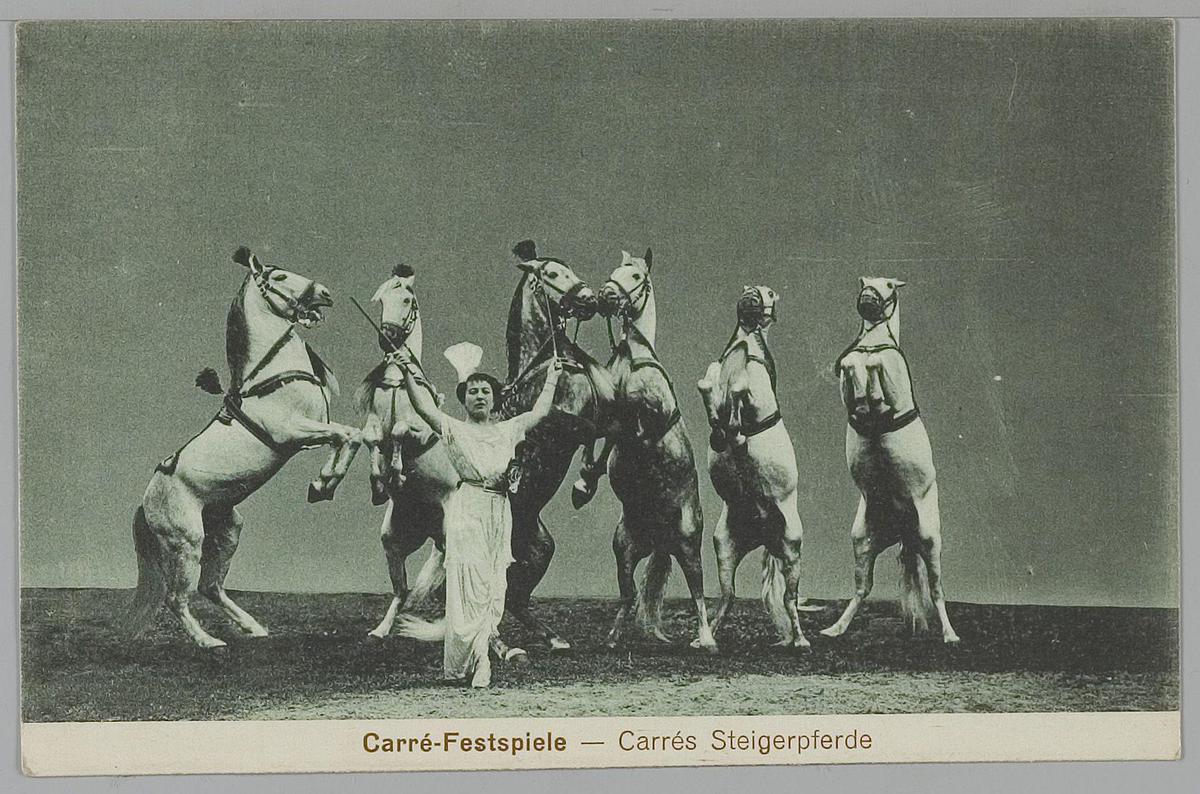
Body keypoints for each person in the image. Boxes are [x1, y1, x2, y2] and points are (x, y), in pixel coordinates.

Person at [394, 343, 562, 688]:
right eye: (473, 391)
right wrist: (407, 371)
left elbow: (541, 411)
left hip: (499, 511)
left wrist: (553, 378)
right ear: (464, 398)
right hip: (468, 510)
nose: (480, 396)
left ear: (494, 397)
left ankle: (482, 655)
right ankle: (475, 662)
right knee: (468, 587)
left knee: (493, 587)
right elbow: (424, 406)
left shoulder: (508, 429)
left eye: (486, 391)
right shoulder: (453, 428)